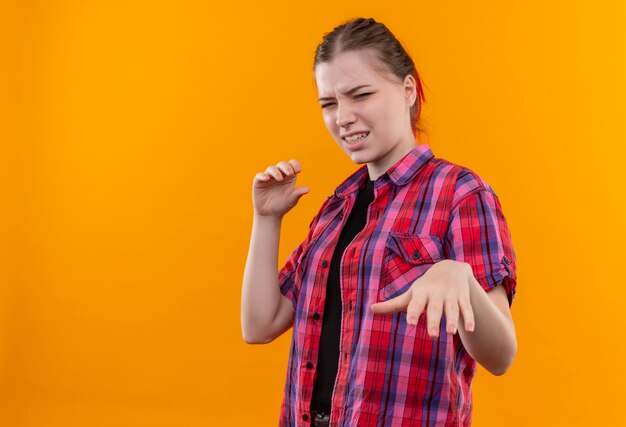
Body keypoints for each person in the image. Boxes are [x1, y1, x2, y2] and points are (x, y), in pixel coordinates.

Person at [241, 17, 517, 427]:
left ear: (408, 90)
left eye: (361, 94)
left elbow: (501, 356)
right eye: (329, 104)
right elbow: (260, 325)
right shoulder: (337, 207)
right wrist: (266, 219)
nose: (343, 117)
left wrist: (458, 276)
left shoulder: (460, 193)